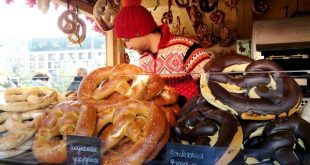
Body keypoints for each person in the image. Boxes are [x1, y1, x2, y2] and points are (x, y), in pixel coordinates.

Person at [114, 0, 214, 100]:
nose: (128, 46)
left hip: (192, 114)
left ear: (139, 31)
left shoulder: (186, 48)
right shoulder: (143, 61)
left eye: (127, 40)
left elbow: (213, 87)